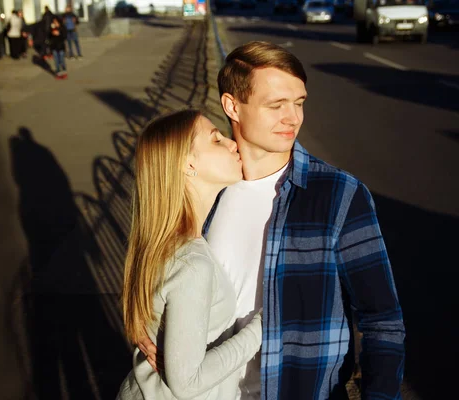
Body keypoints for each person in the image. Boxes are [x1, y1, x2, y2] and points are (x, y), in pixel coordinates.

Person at [141, 41, 406, 399]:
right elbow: (160, 273)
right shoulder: (207, 192)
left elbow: (382, 320)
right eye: (275, 105)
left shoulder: (338, 195)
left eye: (298, 103)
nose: (292, 118)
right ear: (232, 106)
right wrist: (143, 321)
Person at [117, 110, 264, 399]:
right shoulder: (192, 264)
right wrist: (262, 327)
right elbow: (188, 383)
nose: (231, 142)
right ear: (188, 164)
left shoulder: (161, 243)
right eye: (216, 139)